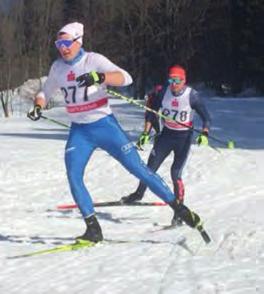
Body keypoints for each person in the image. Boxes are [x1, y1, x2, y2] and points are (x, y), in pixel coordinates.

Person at [27, 23, 206, 243]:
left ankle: (179, 208)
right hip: (79, 132)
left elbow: (125, 77)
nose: (62, 48)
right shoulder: (57, 68)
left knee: (138, 169)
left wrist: (100, 78)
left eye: (66, 43)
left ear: (78, 41)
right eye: (58, 43)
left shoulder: (93, 60)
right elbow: (45, 92)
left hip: (104, 126)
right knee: (74, 175)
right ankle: (93, 229)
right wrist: (38, 105)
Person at [122, 65, 211, 226]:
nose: (174, 84)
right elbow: (151, 112)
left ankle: (179, 212)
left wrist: (204, 133)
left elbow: (206, 118)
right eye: (171, 80)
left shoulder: (193, 96)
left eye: (177, 80)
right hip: (167, 136)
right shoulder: (164, 92)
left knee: (175, 173)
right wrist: (145, 133)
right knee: (148, 168)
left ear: (184, 80)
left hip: (183, 138)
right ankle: (138, 194)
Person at [136, 85, 162, 149]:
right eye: (157, 90)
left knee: (158, 132)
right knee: (147, 131)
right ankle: (140, 143)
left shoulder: (160, 97)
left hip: (155, 116)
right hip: (150, 115)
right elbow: (148, 103)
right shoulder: (152, 96)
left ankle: (156, 145)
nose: (158, 92)